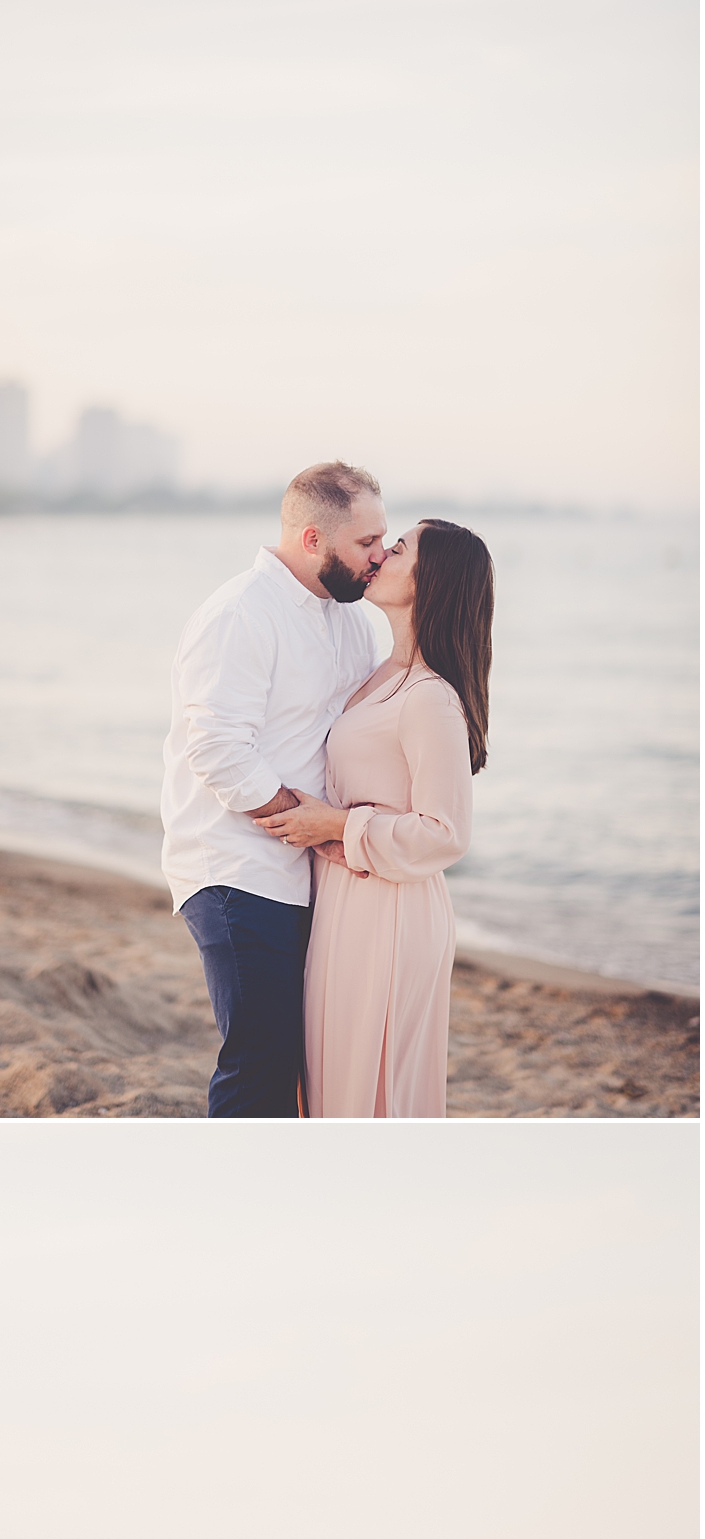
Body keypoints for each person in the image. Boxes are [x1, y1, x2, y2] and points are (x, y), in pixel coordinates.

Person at [160, 461, 387, 1116]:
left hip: (307, 872)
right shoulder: (239, 614)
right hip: (236, 868)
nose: (378, 557)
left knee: (301, 1061)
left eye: (381, 541)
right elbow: (219, 748)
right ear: (313, 539)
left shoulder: (352, 622)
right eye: (366, 543)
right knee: (260, 1058)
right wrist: (310, 822)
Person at [254, 519, 493, 1117]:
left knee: (373, 1086)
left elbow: (446, 834)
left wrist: (337, 827)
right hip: (345, 899)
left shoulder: (431, 697)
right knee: (334, 1079)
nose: (382, 554)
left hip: (391, 911)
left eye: (400, 547)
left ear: (428, 580)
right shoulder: (380, 673)